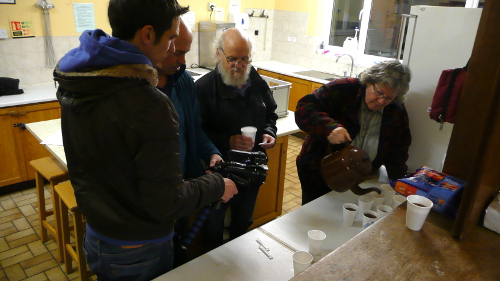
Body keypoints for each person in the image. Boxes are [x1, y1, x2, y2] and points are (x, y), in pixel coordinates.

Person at [54, 1, 237, 280]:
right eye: (172, 38)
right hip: (137, 248)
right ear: (149, 34)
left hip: (98, 235)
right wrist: (216, 185)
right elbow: (165, 202)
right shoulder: (147, 103)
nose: (174, 49)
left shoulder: (81, 78)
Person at [195, 28, 278, 252]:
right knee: (213, 228)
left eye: (244, 59)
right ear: (218, 53)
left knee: (243, 222)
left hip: (252, 169)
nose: (238, 65)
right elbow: (195, 133)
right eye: (232, 58)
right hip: (220, 172)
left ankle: (237, 265)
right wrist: (227, 141)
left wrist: (269, 131)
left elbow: (271, 113)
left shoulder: (256, 81)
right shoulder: (203, 88)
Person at [295, 60, 412, 205]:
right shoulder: (343, 88)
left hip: (360, 178)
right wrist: (329, 127)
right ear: (369, 82)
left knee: (347, 218)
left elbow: (399, 150)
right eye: (379, 92)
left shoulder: (396, 110)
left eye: (388, 98)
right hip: (320, 170)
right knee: (316, 214)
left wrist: (400, 185)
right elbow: (304, 108)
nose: (381, 101)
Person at [155, 18, 222, 266]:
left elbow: (194, 129)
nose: (183, 61)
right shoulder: (136, 90)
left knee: (177, 249)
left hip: (182, 188)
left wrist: (212, 151)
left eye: (186, 53)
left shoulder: (182, 81)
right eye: (178, 53)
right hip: (153, 201)